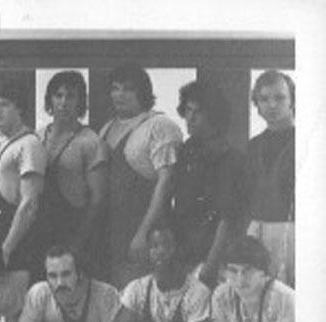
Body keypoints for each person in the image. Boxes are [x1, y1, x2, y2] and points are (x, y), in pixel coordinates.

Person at [99, 64, 183, 288]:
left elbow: (166, 183)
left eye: (128, 89)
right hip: (112, 228)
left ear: (143, 93)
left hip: (143, 227)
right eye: (115, 88)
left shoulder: (159, 126)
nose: (120, 94)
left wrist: (143, 233)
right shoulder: (107, 128)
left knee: (139, 291)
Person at [170, 79, 246, 289]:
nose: (190, 118)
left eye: (198, 112)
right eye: (188, 110)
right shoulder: (186, 150)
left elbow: (227, 217)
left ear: (213, 115)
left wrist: (211, 264)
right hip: (183, 251)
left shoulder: (231, 158)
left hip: (213, 255)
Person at [36, 71, 108, 280]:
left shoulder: (90, 142)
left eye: (70, 96)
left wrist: (78, 243)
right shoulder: (37, 136)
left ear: (80, 101)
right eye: (58, 95)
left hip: (73, 229)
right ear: (50, 99)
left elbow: (98, 199)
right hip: (40, 230)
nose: (64, 102)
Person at [0, 78, 46, 291]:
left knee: (14, 308)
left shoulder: (29, 144)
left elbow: (30, 205)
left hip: (17, 247)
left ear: (20, 108)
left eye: (4, 104)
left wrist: (6, 249)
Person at [244, 70, 295, 286]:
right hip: (259, 232)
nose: (272, 105)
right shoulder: (253, 146)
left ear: (292, 100)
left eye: (279, 97)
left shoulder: (307, 141)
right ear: (257, 105)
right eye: (264, 99)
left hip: (296, 232)